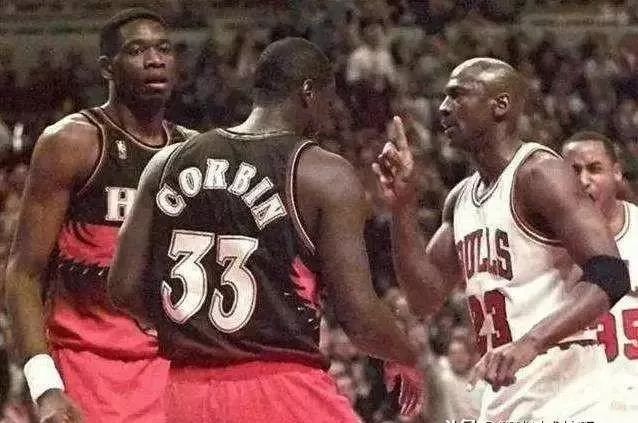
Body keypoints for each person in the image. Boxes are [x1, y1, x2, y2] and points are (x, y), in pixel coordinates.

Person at [108, 37, 423, 422]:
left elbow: (123, 287)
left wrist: (199, 331)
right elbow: (357, 314)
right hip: (280, 389)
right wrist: (405, 355)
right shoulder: (323, 173)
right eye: (328, 100)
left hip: (185, 395)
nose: (330, 113)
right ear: (309, 92)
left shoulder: (166, 162)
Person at [373, 57, 630, 421]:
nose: (443, 108)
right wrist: (402, 206)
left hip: (572, 398)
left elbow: (611, 274)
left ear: (500, 105)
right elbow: (423, 298)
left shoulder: (540, 173)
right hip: (508, 400)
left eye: (457, 96)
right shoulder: (461, 198)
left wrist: (530, 343)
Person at [4, 8, 196, 423]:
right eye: (137, 50)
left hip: (170, 373)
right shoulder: (72, 143)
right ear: (108, 68)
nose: (155, 60)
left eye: (163, 48)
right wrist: (45, 388)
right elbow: (23, 273)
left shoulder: (194, 152)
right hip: (86, 368)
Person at [562, 131, 638, 421]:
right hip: (576, 404)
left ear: (617, 173)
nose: (584, 180)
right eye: (574, 171)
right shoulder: (546, 245)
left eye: (595, 169)